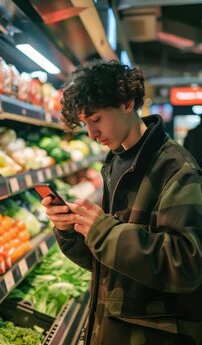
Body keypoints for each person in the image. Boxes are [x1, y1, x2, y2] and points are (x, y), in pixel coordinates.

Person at [41, 60, 202, 345]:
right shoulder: (116, 162)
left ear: (127, 103)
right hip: (114, 327)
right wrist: (71, 231)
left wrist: (103, 231)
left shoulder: (177, 169)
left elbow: (187, 264)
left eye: (95, 119)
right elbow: (107, 264)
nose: (91, 133)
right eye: (84, 124)